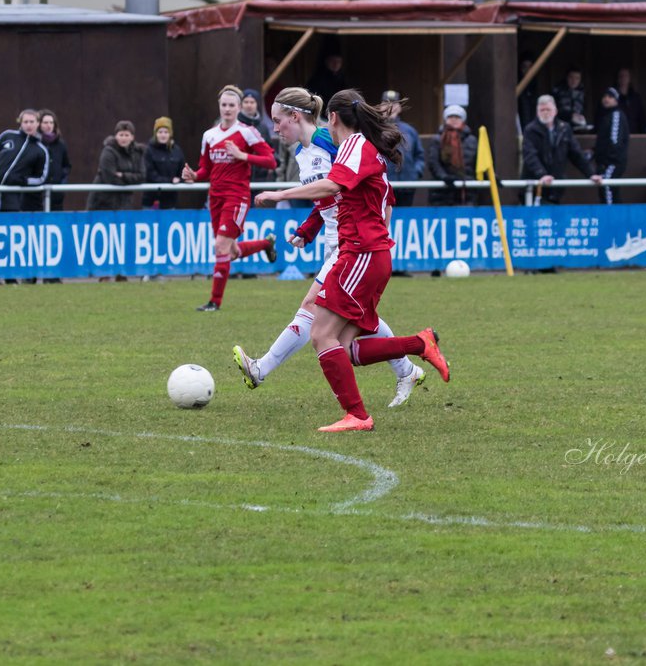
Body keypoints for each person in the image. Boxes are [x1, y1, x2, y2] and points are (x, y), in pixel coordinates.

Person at [253, 90, 451, 432]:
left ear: (331, 118)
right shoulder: (350, 147)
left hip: (361, 252)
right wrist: (311, 228)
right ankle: (419, 345)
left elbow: (332, 186)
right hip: (359, 251)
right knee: (345, 347)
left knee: (321, 334)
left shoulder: (355, 146)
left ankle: (357, 414)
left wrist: (279, 194)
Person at [182, 85, 279, 311]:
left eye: (231, 105)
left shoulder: (247, 132)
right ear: (219, 106)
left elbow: (271, 161)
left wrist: (242, 155)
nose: (227, 109)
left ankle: (214, 303)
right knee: (230, 251)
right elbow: (206, 169)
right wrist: (194, 176)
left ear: (239, 107)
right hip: (215, 197)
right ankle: (266, 243)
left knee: (220, 246)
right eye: (224, 105)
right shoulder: (209, 135)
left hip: (237, 195)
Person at [521, 95, 601, 204]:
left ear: (555, 111)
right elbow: (530, 155)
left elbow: (576, 154)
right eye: (542, 110)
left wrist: (591, 173)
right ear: (537, 112)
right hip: (536, 186)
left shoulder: (564, 129)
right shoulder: (530, 130)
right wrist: (542, 174)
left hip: (556, 186)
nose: (545, 113)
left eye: (548, 109)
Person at [0, 109, 50, 213]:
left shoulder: (41, 150)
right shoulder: (7, 135)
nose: (29, 125)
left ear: (37, 123)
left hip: (12, 200)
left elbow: (41, 177)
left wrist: (23, 180)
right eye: (26, 122)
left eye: (32, 122)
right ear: (20, 123)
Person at [379, 89, 424, 207]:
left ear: (399, 107)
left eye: (394, 103)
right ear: (380, 106)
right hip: (383, 186)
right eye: (386, 103)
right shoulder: (374, 129)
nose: (391, 106)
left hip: (407, 186)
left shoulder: (410, 130)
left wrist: (415, 173)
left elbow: (419, 155)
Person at [88, 120, 146, 211]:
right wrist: (131, 181)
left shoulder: (138, 152)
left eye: (127, 135)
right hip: (103, 202)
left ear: (132, 137)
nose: (124, 138)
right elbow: (110, 178)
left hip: (125, 202)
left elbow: (142, 176)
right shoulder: (108, 152)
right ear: (116, 136)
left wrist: (123, 175)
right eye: (121, 135)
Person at [430, 104, 478, 206]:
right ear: (446, 119)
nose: (454, 120)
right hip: (442, 191)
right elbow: (433, 162)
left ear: (463, 120)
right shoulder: (437, 139)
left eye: (457, 117)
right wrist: (444, 177)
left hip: (467, 190)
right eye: (451, 117)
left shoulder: (472, 140)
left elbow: (479, 162)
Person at [593, 88, 628, 204]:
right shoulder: (606, 116)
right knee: (606, 191)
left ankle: (612, 220)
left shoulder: (616, 114)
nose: (606, 99)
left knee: (607, 187)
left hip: (612, 163)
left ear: (616, 100)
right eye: (605, 96)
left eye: (610, 96)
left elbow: (614, 141)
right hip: (605, 163)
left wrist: (607, 161)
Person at [142, 116, 185, 210]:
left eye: (166, 132)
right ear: (155, 134)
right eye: (160, 132)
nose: (163, 135)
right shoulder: (149, 150)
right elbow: (150, 174)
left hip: (170, 202)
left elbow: (182, 172)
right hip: (151, 201)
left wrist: (183, 180)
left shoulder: (177, 151)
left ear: (170, 134)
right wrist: (170, 180)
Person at [38, 109, 71, 212]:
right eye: (45, 122)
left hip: (56, 195)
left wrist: (62, 183)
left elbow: (66, 166)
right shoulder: (34, 143)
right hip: (37, 195)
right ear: (39, 124)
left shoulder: (61, 144)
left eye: (51, 122)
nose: (49, 125)